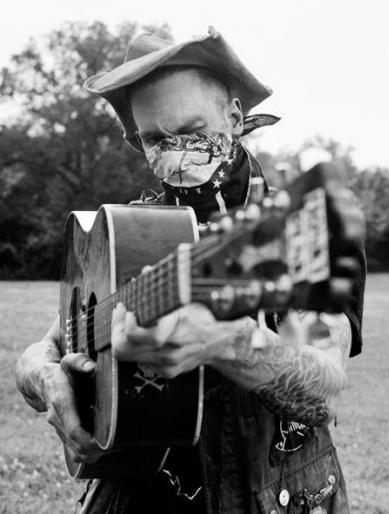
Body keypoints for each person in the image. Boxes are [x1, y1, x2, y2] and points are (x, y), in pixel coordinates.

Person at [16, 28, 365, 513]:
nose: (176, 154)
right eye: (156, 140)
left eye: (193, 130)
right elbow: (45, 347)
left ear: (235, 117)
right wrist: (47, 379)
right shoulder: (130, 234)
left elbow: (325, 390)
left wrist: (230, 342)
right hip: (137, 494)